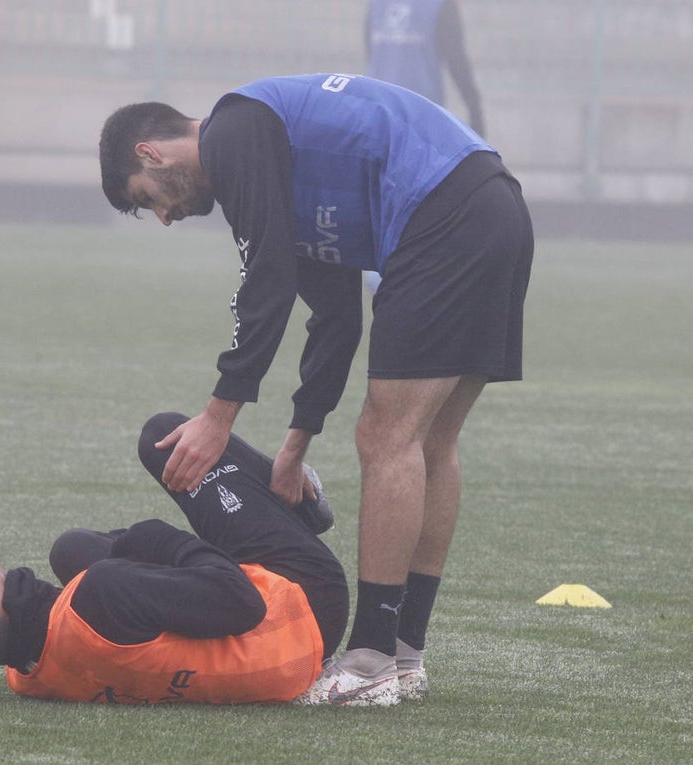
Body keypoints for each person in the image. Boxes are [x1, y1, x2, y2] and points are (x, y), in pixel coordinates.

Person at [99, 73, 533, 706]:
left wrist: (219, 416)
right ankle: (403, 656)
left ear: (150, 153)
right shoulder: (269, 163)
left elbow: (266, 282)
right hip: (492, 207)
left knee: (387, 438)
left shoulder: (234, 129)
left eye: (149, 201)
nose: (165, 218)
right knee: (430, 442)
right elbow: (335, 318)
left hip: (445, 215)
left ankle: (367, 662)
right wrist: (295, 446)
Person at [0, 412, 349, 706]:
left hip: (258, 640)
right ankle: (299, 501)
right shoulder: (103, 592)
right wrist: (155, 539)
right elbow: (243, 601)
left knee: (70, 548)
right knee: (164, 437)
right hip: (302, 607)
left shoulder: (28, 675)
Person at [366, 0, 486, 136]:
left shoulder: (376, 4)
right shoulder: (441, 5)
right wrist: (475, 110)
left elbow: (372, 54)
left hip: (379, 108)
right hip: (422, 110)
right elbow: (456, 61)